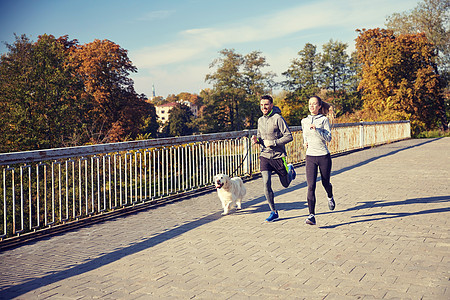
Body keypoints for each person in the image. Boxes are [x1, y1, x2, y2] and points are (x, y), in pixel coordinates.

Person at [251, 95, 296, 222]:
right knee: (266, 183)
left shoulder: (278, 119)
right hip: (264, 155)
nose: (263, 107)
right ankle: (274, 211)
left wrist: (274, 143)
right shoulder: (260, 120)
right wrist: (257, 140)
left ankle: (290, 172)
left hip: (278, 156)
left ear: (271, 105)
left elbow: (289, 136)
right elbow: (260, 138)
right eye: (261, 105)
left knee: (285, 184)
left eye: (266, 104)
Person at [301, 95, 335, 225]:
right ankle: (311, 215)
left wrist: (317, 129)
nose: (312, 106)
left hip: (323, 156)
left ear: (319, 106)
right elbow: (305, 135)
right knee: (311, 186)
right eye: (310, 104)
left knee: (325, 183)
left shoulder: (324, 120)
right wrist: (305, 143)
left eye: (314, 104)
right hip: (310, 156)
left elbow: (329, 138)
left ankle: (330, 196)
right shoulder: (304, 121)